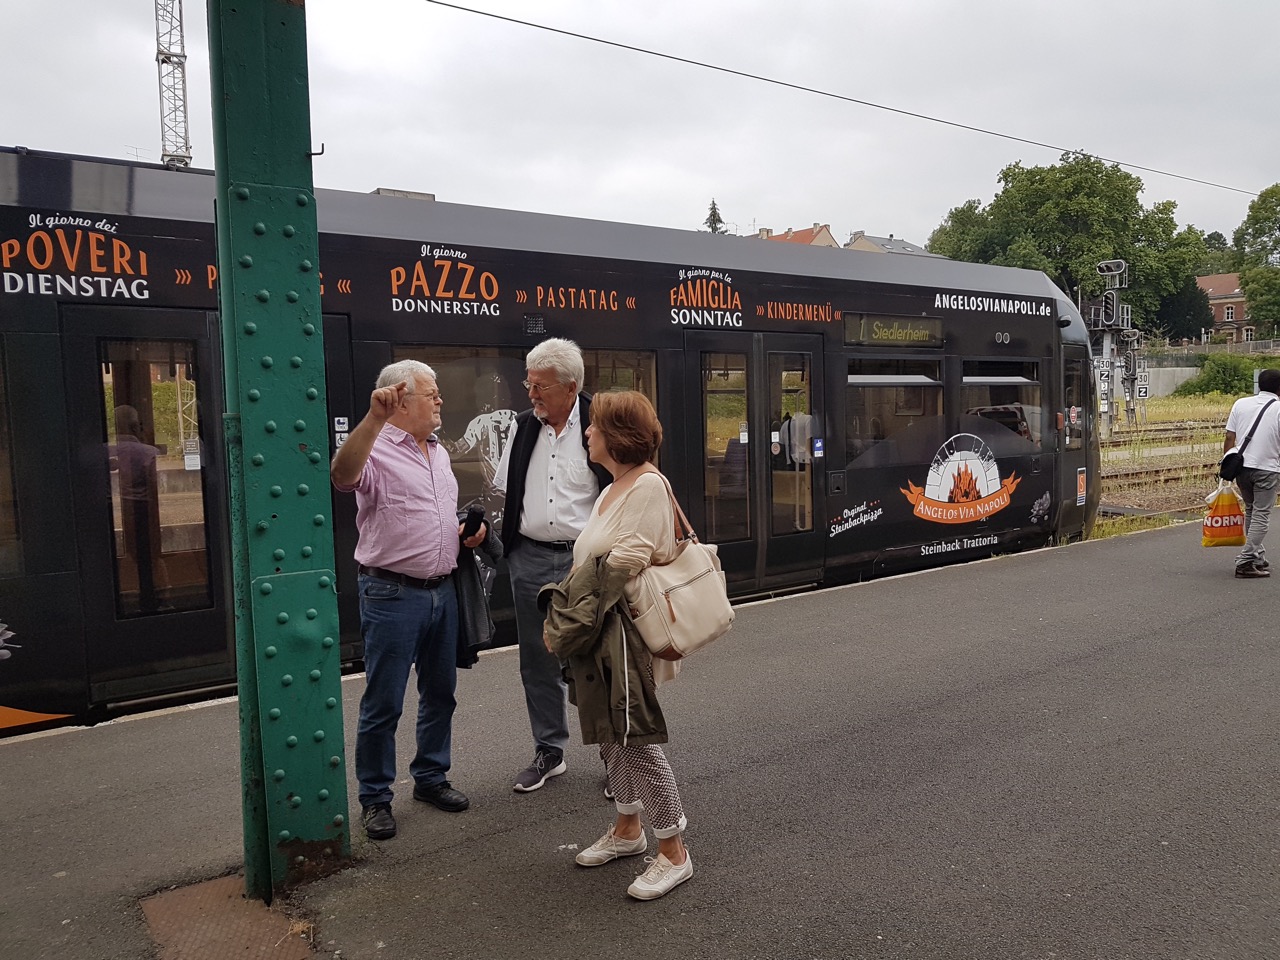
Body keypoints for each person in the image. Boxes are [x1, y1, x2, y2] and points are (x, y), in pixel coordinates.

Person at [539, 390, 693, 901]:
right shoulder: (613, 487)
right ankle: (629, 829)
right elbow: (595, 562)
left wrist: (563, 620)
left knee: (635, 737)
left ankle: (674, 851)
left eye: (595, 425)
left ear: (618, 436)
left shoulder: (647, 485)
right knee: (609, 734)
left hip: (623, 634)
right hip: (599, 631)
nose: (586, 432)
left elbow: (623, 563)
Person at [330, 359, 490, 841]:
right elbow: (341, 475)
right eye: (431, 393)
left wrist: (466, 533)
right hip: (391, 593)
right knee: (384, 702)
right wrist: (373, 419)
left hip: (442, 590)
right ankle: (376, 797)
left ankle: (431, 778)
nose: (441, 399)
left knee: (440, 693)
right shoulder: (376, 449)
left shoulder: (438, 452)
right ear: (401, 400)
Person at [493, 338, 611, 793]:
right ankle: (549, 750)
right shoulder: (523, 428)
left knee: (599, 659)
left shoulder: (600, 425)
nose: (532, 393)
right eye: (529, 383)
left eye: (541, 386)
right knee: (537, 660)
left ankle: (613, 758)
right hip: (531, 559)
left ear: (571, 387)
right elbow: (508, 490)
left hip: (586, 563)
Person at [1223, 368, 1280, 579]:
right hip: (1267, 468)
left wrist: (1226, 465)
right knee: (1262, 514)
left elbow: (1230, 437)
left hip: (1242, 467)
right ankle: (1245, 561)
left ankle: (1257, 557)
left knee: (1251, 510)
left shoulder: (1240, 403)